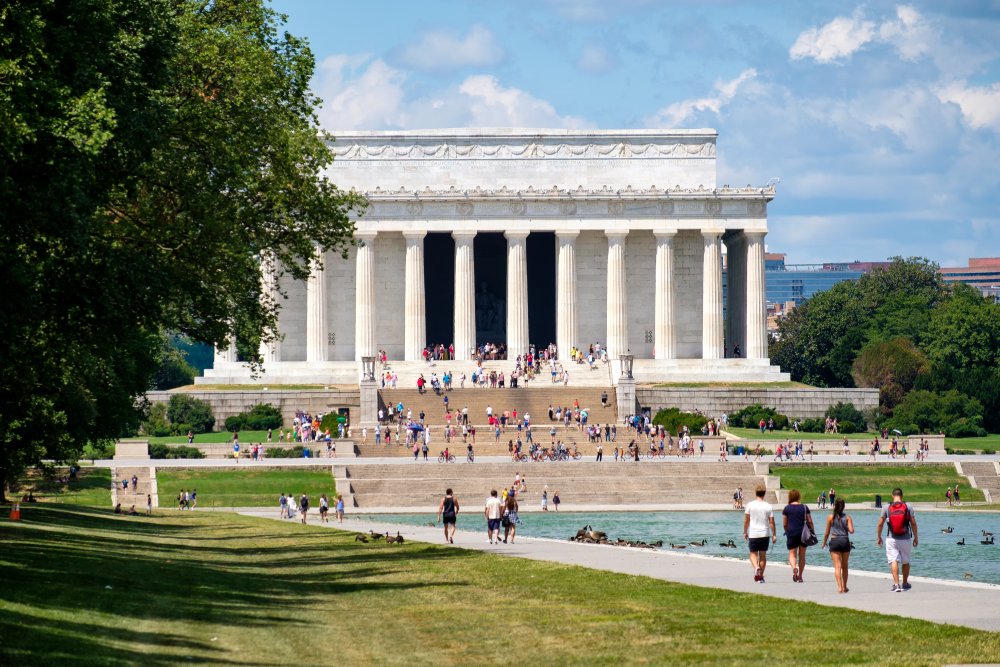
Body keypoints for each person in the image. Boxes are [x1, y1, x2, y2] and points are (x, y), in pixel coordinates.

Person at [876, 487, 918, 592]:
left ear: (892, 495)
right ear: (902, 496)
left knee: (893, 560)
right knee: (906, 561)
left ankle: (896, 585)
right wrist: (916, 537)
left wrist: (879, 537)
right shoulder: (908, 506)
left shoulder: (886, 507)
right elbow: (913, 523)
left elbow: (880, 524)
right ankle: (904, 583)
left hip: (891, 538)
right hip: (906, 538)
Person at [743, 485, 776, 583]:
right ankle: (760, 577)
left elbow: (746, 520)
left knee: (753, 554)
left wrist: (745, 532)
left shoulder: (750, 505)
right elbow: (771, 522)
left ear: (755, 493)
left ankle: (756, 567)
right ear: (764, 493)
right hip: (765, 534)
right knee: (762, 556)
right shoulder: (768, 506)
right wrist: (774, 534)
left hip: (753, 533)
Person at [821, 498, 855, 593]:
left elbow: (827, 532)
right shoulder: (847, 517)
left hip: (834, 540)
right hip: (844, 540)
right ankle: (845, 587)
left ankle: (839, 587)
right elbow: (852, 531)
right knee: (845, 566)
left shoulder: (830, 517)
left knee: (837, 566)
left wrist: (824, 543)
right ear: (843, 507)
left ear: (834, 506)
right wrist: (846, 527)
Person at [782, 489, 815, 583]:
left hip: (791, 532)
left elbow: (785, 524)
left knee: (792, 554)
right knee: (802, 555)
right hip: (803, 533)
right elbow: (809, 521)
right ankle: (800, 576)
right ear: (798, 497)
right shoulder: (804, 507)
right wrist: (812, 531)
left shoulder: (787, 508)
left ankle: (794, 568)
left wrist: (787, 531)